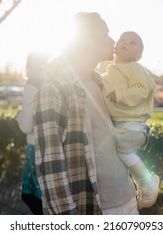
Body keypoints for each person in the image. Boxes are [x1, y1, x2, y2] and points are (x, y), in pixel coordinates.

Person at [33, 12, 139, 215]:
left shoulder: (103, 83)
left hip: (128, 199)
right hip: (95, 210)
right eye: (106, 33)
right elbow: (51, 167)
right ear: (87, 40)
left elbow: (127, 129)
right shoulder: (54, 89)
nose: (113, 40)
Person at [98, 31, 159, 210]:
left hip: (133, 123)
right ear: (115, 46)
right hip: (121, 123)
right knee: (119, 152)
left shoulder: (135, 68)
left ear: (138, 56)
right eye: (123, 39)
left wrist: (122, 94)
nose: (126, 43)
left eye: (133, 43)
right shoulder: (108, 70)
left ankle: (147, 181)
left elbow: (144, 89)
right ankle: (140, 182)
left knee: (124, 152)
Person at [16, 51, 50, 215]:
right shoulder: (51, 83)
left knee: (30, 196)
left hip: (35, 148)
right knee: (48, 197)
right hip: (52, 146)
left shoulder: (32, 85)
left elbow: (26, 126)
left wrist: (19, 116)